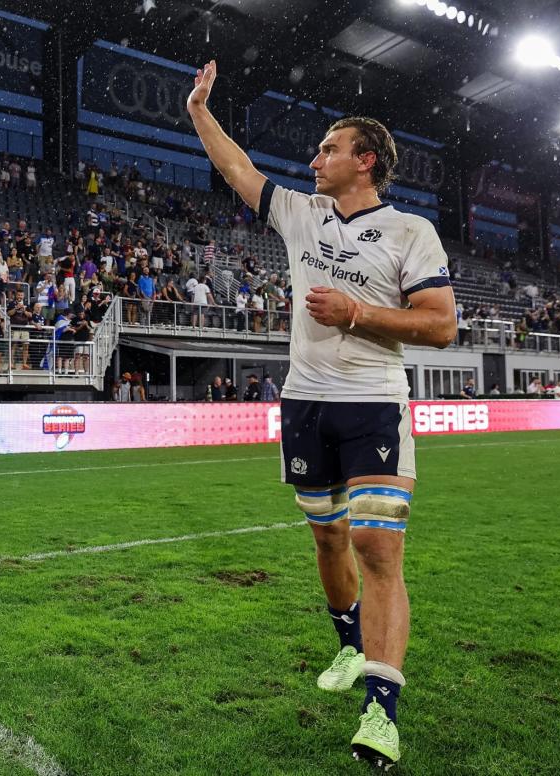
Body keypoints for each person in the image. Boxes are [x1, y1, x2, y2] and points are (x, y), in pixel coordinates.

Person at [187, 60, 457, 769]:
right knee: (328, 539)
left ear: (364, 161)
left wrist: (358, 312)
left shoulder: (409, 233)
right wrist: (198, 112)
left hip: (373, 406)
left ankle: (381, 707)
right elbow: (238, 169)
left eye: (328, 149)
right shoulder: (297, 212)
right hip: (304, 404)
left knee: (377, 547)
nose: (314, 160)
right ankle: (347, 643)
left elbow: (439, 327)